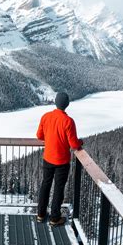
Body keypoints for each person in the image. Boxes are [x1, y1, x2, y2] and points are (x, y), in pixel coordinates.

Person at [36, 92, 83, 226]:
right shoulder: (68, 121)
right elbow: (74, 145)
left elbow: (39, 136)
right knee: (58, 188)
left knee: (45, 185)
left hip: (48, 158)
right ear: (67, 105)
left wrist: (51, 137)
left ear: (55, 102)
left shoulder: (46, 117)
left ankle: (40, 214)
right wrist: (80, 142)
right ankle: (54, 218)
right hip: (62, 161)